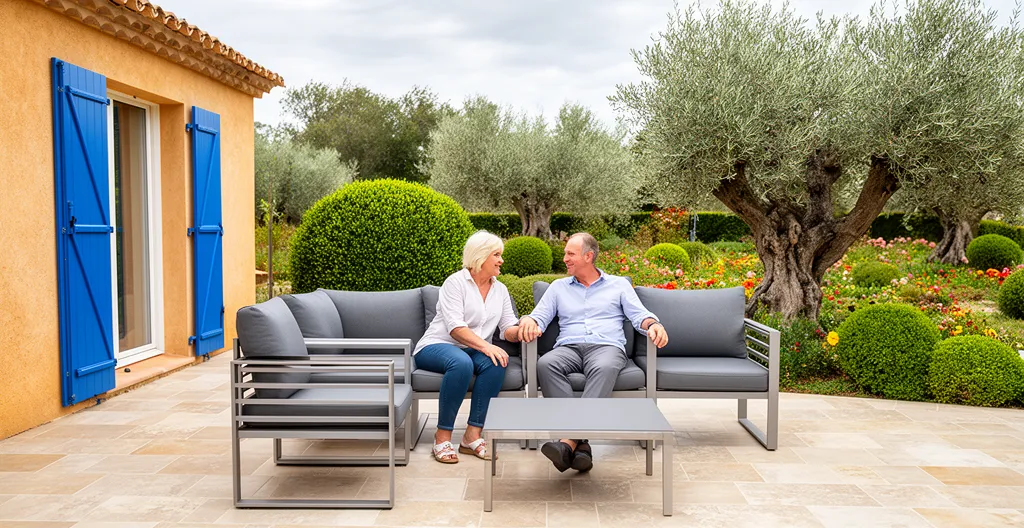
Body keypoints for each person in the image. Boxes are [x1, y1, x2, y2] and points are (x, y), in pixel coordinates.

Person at [518, 232, 669, 472]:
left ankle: (567, 442)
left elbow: (639, 315)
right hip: (568, 347)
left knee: (605, 367)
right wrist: (528, 320)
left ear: (588, 256)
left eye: (570, 253)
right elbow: (539, 317)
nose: (565, 258)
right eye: (565, 253)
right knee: (546, 364)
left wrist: (654, 324)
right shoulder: (558, 287)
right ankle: (581, 445)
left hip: (606, 347)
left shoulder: (619, 285)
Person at [414, 230, 520, 463]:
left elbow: (507, 326)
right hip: (437, 345)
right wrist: (487, 346)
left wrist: (521, 330)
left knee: (497, 362)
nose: (501, 260)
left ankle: (471, 437)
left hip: (475, 349)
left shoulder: (500, 289)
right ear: (481, 256)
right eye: (497, 254)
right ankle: (442, 438)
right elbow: (455, 328)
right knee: (461, 363)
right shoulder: (455, 283)